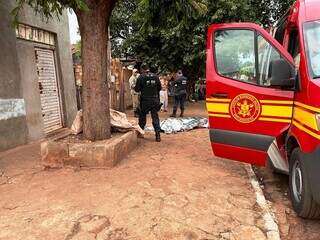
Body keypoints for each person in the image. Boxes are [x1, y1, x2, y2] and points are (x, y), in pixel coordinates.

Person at [134, 64, 162, 142]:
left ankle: (141, 132)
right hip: (154, 100)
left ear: (142, 69)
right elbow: (159, 88)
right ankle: (158, 135)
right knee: (155, 117)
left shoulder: (141, 77)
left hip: (145, 100)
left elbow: (137, 89)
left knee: (142, 116)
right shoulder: (156, 76)